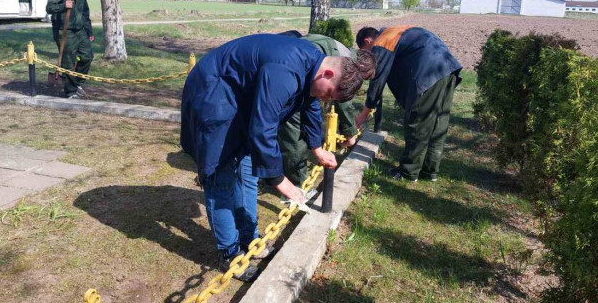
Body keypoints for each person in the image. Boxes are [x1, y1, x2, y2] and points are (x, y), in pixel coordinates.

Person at [181, 34, 365, 281]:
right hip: (213, 93)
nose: (325, 100)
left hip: (239, 100)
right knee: (220, 178)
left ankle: (250, 238)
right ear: (329, 74)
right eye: (329, 94)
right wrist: (279, 179)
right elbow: (264, 126)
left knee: (247, 172)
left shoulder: (313, 65)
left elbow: (309, 103)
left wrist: (316, 148)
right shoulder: (285, 70)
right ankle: (230, 254)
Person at [355, 26, 462, 182]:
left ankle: (408, 173)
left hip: (428, 73)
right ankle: (429, 171)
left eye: (367, 52)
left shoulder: (382, 41)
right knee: (438, 123)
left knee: (418, 123)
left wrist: (363, 114)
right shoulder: (396, 32)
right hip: (448, 68)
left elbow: (377, 80)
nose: (370, 58)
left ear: (367, 41)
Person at [277, 32, 376, 189]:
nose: (357, 83)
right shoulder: (345, 63)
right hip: (291, 82)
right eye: (361, 78)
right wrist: (350, 133)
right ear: (361, 67)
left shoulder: (341, 49)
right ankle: (297, 185)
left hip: (297, 77)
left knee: (303, 123)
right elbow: (344, 103)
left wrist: (317, 146)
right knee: (294, 134)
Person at [46, 0, 94, 99]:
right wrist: (64, 5)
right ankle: (71, 92)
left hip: (80, 31)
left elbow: (85, 13)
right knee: (68, 61)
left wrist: (89, 31)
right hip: (65, 30)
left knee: (88, 56)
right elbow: (49, 8)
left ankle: (77, 83)